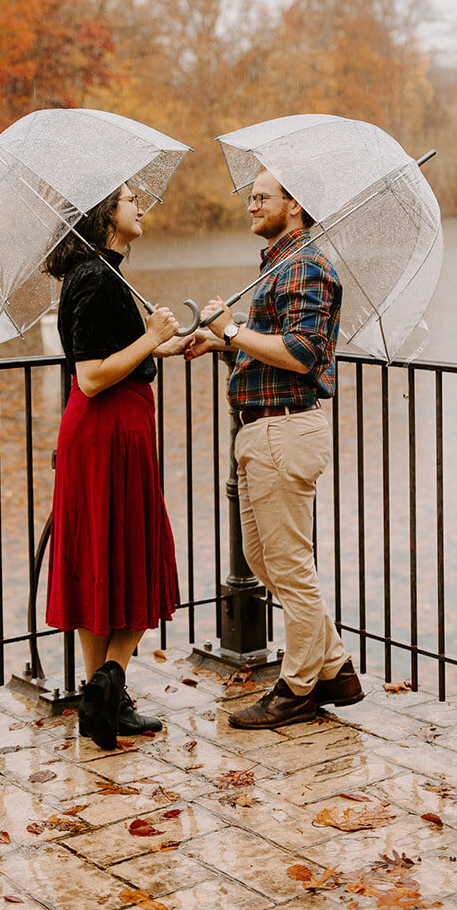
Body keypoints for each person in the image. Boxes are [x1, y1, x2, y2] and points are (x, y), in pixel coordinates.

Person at [187, 167, 363, 727]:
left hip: (286, 432)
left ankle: (299, 686)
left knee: (288, 566)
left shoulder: (308, 265)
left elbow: (304, 352)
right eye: (251, 196)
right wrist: (220, 337)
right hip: (262, 430)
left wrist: (235, 333)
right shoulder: (278, 267)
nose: (251, 204)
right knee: (266, 561)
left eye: (262, 197)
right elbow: (271, 346)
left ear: (294, 204)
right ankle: (336, 666)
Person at [44, 182, 191, 750]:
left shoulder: (96, 272)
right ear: (106, 213)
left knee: (100, 555)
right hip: (110, 430)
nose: (139, 207)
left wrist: (167, 344)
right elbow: (92, 373)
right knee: (134, 551)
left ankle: (98, 698)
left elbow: (115, 351)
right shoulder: (99, 278)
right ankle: (113, 685)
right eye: (130, 200)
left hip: (99, 431)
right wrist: (150, 336)